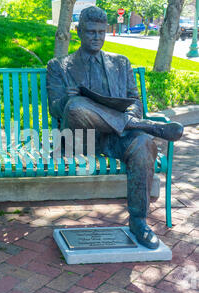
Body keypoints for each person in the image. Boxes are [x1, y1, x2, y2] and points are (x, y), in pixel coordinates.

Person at [46, 6, 183, 250]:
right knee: (77, 106)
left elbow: (134, 101)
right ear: (78, 31)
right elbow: (56, 109)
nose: (96, 37)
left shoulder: (120, 63)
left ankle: (139, 223)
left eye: (101, 32)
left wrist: (130, 115)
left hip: (116, 138)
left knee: (143, 144)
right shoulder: (59, 66)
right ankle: (143, 127)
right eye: (90, 32)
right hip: (81, 139)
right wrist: (66, 101)